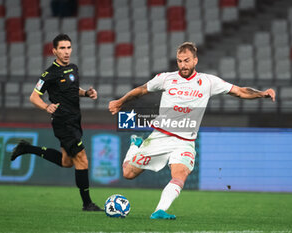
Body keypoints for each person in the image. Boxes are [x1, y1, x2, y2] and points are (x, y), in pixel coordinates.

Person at [109, 42, 276, 220]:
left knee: (180, 174)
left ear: (195, 60)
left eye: (186, 60)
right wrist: (121, 101)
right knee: (128, 173)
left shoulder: (208, 82)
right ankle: (135, 146)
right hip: (160, 136)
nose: (183, 65)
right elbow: (142, 89)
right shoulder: (166, 78)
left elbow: (240, 91)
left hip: (185, 141)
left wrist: (262, 94)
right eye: (179, 61)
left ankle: (159, 211)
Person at [10, 34, 103, 212]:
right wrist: (46, 107)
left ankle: (27, 148)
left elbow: (73, 91)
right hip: (63, 122)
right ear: (54, 51)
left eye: (68, 47)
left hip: (75, 120)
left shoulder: (73, 68)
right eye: (62, 48)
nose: (66, 52)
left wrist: (86, 93)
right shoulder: (49, 74)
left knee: (67, 162)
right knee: (82, 159)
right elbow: (33, 97)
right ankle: (87, 204)